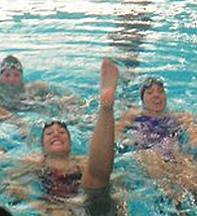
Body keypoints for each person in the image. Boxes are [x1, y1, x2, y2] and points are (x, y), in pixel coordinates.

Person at [7, 59, 120, 215]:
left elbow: (113, 179)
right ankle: (106, 108)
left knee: (96, 180)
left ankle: (106, 107)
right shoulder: (34, 162)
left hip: (87, 202)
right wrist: (39, 205)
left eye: (62, 132)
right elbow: (12, 184)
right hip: (54, 209)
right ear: (42, 145)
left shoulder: (81, 162)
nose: (56, 134)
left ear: (70, 144)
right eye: (49, 133)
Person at [116, 77, 197, 213]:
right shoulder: (133, 115)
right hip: (150, 158)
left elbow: (195, 134)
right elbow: (116, 135)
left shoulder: (182, 117)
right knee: (150, 156)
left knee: (191, 173)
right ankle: (176, 205)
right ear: (142, 99)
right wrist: (127, 140)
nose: (156, 95)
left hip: (176, 158)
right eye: (150, 93)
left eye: (160, 91)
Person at [0, 55, 80, 114]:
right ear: (0, 76)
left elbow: (64, 94)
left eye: (16, 75)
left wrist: (67, 100)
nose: (12, 79)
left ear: (22, 76)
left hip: (30, 109)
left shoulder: (33, 88)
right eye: (7, 75)